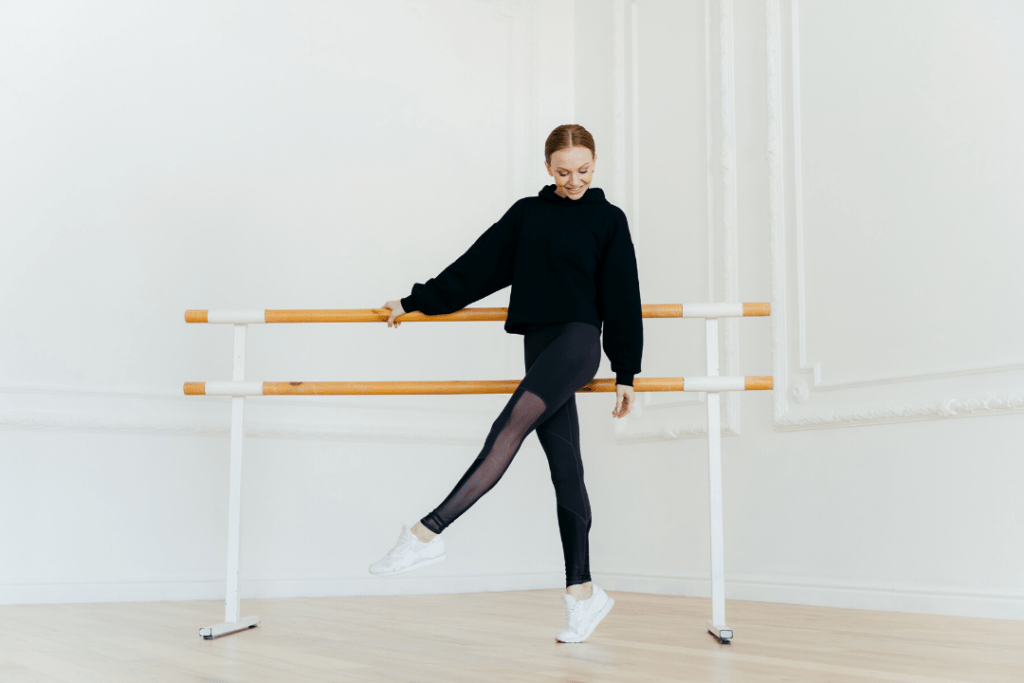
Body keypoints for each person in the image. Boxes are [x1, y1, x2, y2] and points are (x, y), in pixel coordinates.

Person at [369, 124, 642, 644]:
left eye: (584, 170)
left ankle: (427, 532)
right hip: (539, 344)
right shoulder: (528, 215)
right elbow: (477, 268)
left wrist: (625, 370)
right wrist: (414, 300)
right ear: (547, 168)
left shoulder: (608, 220)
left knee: (508, 426)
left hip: (578, 344)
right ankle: (583, 595)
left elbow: (623, 294)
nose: (574, 181)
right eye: (563, 172)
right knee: (566, 471)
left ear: (595, 163)